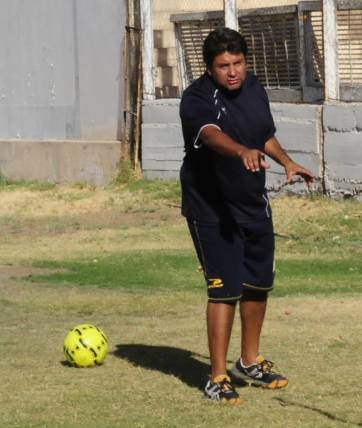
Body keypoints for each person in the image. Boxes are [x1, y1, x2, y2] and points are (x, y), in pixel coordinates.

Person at [179, 27, 315, 403]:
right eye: (223, 66)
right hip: (211, 208)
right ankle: (217, 376)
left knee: (257, 284)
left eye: (238, 63)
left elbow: (263, 133)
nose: (233, 71)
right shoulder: (196, 98)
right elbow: (209, 134)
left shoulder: (254, 88)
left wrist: (286, 162)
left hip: (252, 202)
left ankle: (249, 361)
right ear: (209, 69)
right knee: (224, 290)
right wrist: (240, 151)